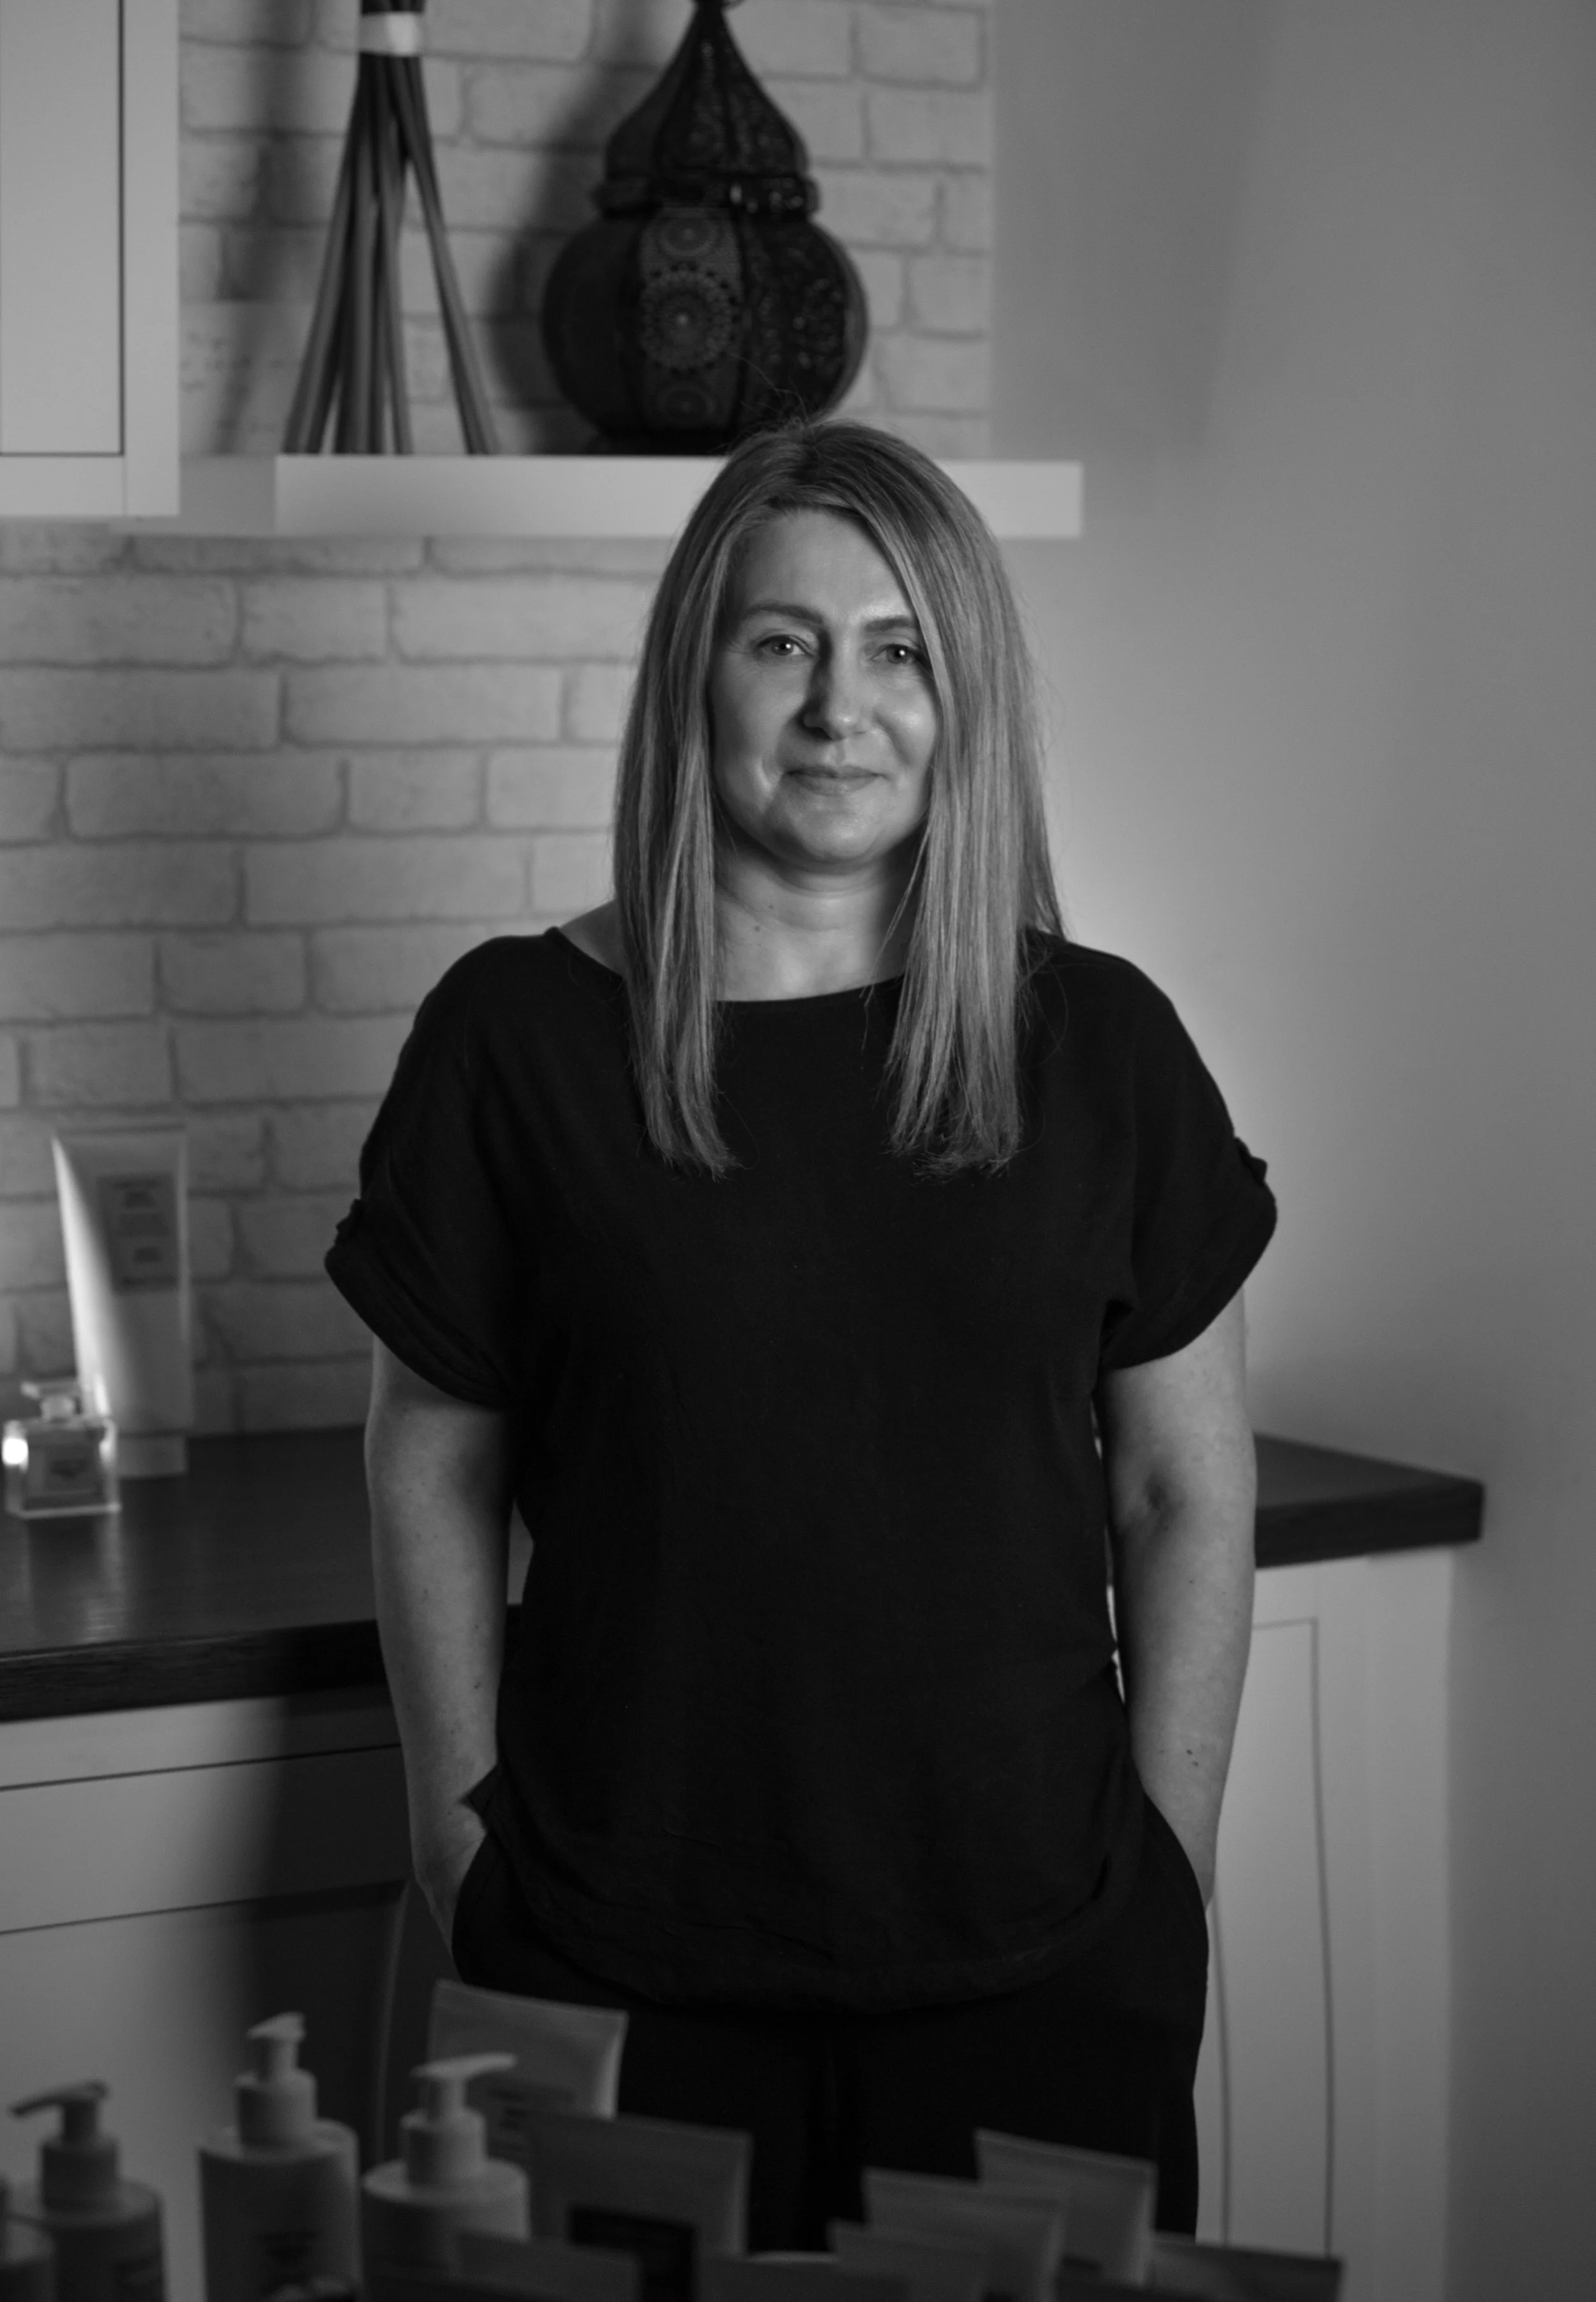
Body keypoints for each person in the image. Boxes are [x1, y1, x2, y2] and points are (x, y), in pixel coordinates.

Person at [326, 419, 1276, 2247]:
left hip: (1042, 1957)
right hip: (607, 1950)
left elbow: (1180, 1484)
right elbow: (430, 1457)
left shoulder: (1102, 1047)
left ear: (964, 691)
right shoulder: (513, 1038)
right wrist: (463, 1839)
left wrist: (1165, 1867)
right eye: (783, 641)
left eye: (900, 647)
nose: (842, 704)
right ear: (697, 672)